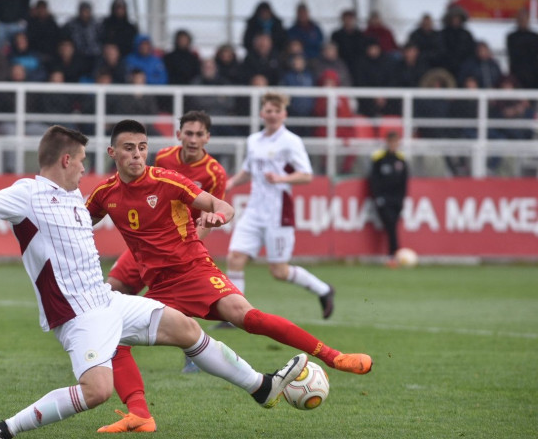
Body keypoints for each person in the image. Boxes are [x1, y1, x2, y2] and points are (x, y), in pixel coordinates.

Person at [0, 124, 309, 439]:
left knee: (186, 328)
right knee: (97, 392)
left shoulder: (76, 197)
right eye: (81, 161)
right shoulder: (26, 194)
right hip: (76, 315)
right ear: (65, 161)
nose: (84, 168)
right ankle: (1, 431)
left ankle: (261, 387)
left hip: (107, 301)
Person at [87, 119, 372, 432]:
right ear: (112, 152)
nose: (138, 155)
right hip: (160, 286)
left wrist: (218, 215)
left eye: (142, 148)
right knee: (112, 336)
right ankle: (140, 414)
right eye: (129, 149)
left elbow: (220, 204)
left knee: (246, 317)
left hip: (193, 269)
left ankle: (334, 357)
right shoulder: (104, 194)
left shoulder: (167, 181)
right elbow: (79, 224)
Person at [107, 111, 228, 371]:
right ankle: (103, 352)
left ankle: (195, 350)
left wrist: (191, 246)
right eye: (189, 133)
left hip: (182, 241)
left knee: (176, 299)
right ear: (179, 135)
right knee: (112, 290)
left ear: (207, 138)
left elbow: (211, 215)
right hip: (146, 243)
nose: (193, 139)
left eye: (198, 134)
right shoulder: (163, 158)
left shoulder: (215, 172)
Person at [226, 92, 336, 321]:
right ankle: (235, 316)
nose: (273, 115)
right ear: (262, 113)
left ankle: (323, 290)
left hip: (278, 212)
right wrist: (229, 184)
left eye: (277, 111)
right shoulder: (253, 140)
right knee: (235, 258)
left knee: (279, 271)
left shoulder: (291, 141)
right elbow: (248, 171)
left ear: (284, 114)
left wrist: (281, 179)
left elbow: (306, 175)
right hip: (254, 209)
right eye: (269, 110)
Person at [369, 130, 408, 267]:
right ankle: (394, 254)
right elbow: (374, 180)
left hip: (396, 200)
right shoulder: (379, 159)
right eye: (392, 142)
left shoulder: (401, 160)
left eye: (396, 142)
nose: (394, 145)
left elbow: (404, 182)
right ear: (387, 142)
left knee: (393, 226)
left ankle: (393, 255)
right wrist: (378, 197)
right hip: (384, 199)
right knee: (391, 224)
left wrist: (403, 199)